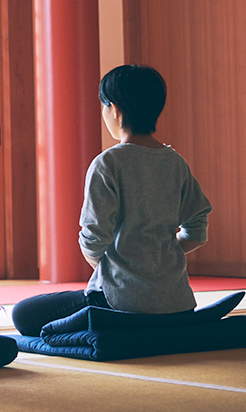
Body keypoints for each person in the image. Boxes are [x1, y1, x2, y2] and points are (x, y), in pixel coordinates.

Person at [12, 65, 212, 336]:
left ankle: (107, 322)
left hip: (120, 303)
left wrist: (117, 267)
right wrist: (161, 255)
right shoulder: (175, 163)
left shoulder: (108, 163)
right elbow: (197, 231)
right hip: (177, 304)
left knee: (23, 314)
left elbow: (93, 240)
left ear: (114, 110)